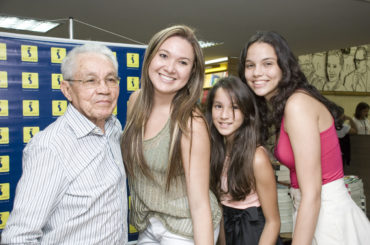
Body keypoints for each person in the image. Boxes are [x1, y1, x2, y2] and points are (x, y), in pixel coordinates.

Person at [239, 30, 370, 245]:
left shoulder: (297, 105)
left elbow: (312, 193)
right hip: (313, 211)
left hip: (327, 217)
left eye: (268, 63)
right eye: (250, 65)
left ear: (284, 66)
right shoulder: (289, 104)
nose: (257, 72)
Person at [1, 43, 128, 244]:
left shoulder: (114, 128)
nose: (104, 89)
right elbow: (18, 238)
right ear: (67, 90)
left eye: (110, 79)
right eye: (90, 80)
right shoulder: (50, 148)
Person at [121, 25, 221, 245]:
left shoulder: (190, 123)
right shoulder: (134, 102)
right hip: (149, 223)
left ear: (192, 72)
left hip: (186, 227)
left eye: (182, 62)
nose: (170, 68)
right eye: (164, 55)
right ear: (150, 57)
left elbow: (200, 205)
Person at [205, 76, 282, 245]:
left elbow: (273, 222)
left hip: (255, 235)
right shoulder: (216, 152)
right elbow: (221, 210)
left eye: (234, 107)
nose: (224, 115)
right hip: (228, 231)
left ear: (246, 113)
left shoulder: (257, 157)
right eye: (218, 106)